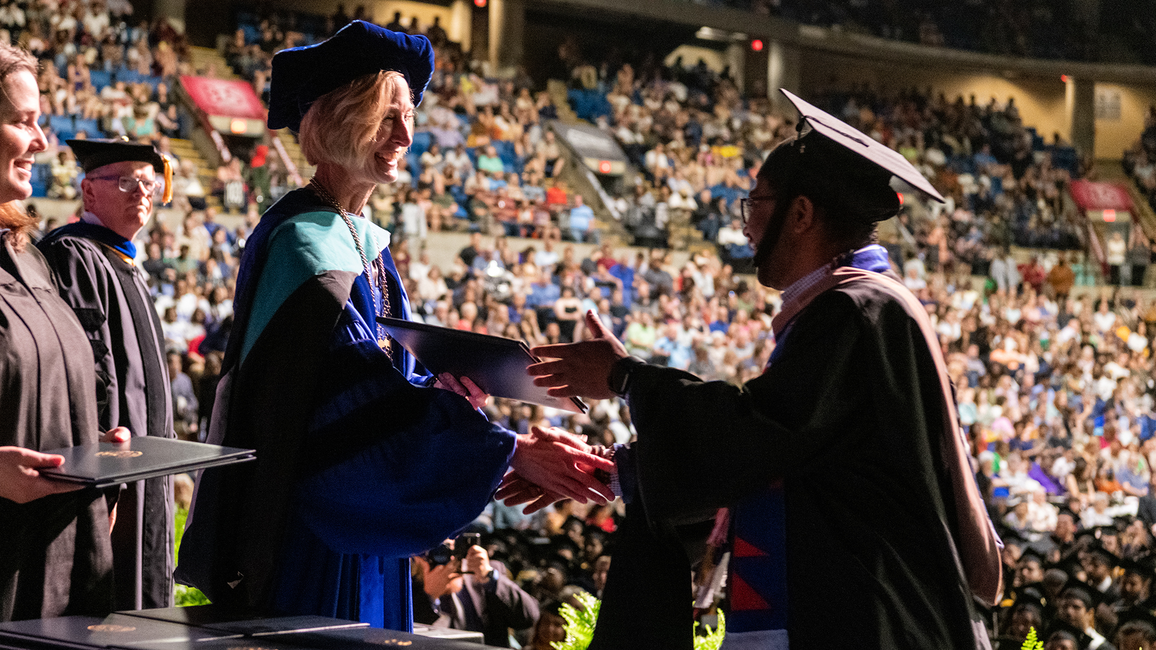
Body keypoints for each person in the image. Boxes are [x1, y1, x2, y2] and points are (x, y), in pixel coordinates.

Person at [509, 90, 1003, 649]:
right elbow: (782, 458)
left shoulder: (855, 311)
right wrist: (616, 472)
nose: (745, 225)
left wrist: (627, 377)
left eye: (755, 202)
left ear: (800, 213)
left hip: (870, 618)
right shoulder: (862, 307)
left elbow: (760, 433)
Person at [175, 21, 613, 631]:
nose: (406, 134)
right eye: (386, 117)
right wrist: (507, 451)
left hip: (364, 533)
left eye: (409, 116)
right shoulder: (302, 249)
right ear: (337, 121)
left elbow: (392, 392)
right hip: (321, 537)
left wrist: (460, 403)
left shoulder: (363, 241)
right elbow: (348, 414)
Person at [0, 41, 129, 621]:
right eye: (22, 121)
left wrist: (94, 448)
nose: (41, 141)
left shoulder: (30, 257)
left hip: (69, 571)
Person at [38, 138, 177, 611]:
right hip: (110, 478)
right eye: (124, 180)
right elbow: (83, 373)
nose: (141, 190)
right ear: (88, 192)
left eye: (147, 181)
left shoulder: (126, 263)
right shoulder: (74, 255)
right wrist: (99, 473)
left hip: (145, 474)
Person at [413, 539, 538, 647]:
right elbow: (405, 637)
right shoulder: (407, 588)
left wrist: (489, 577)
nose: (447, 558)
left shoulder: (481, 576)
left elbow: (529, 617)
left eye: (447, 548)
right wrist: (430, 596)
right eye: (436, 551)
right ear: (417, 557)